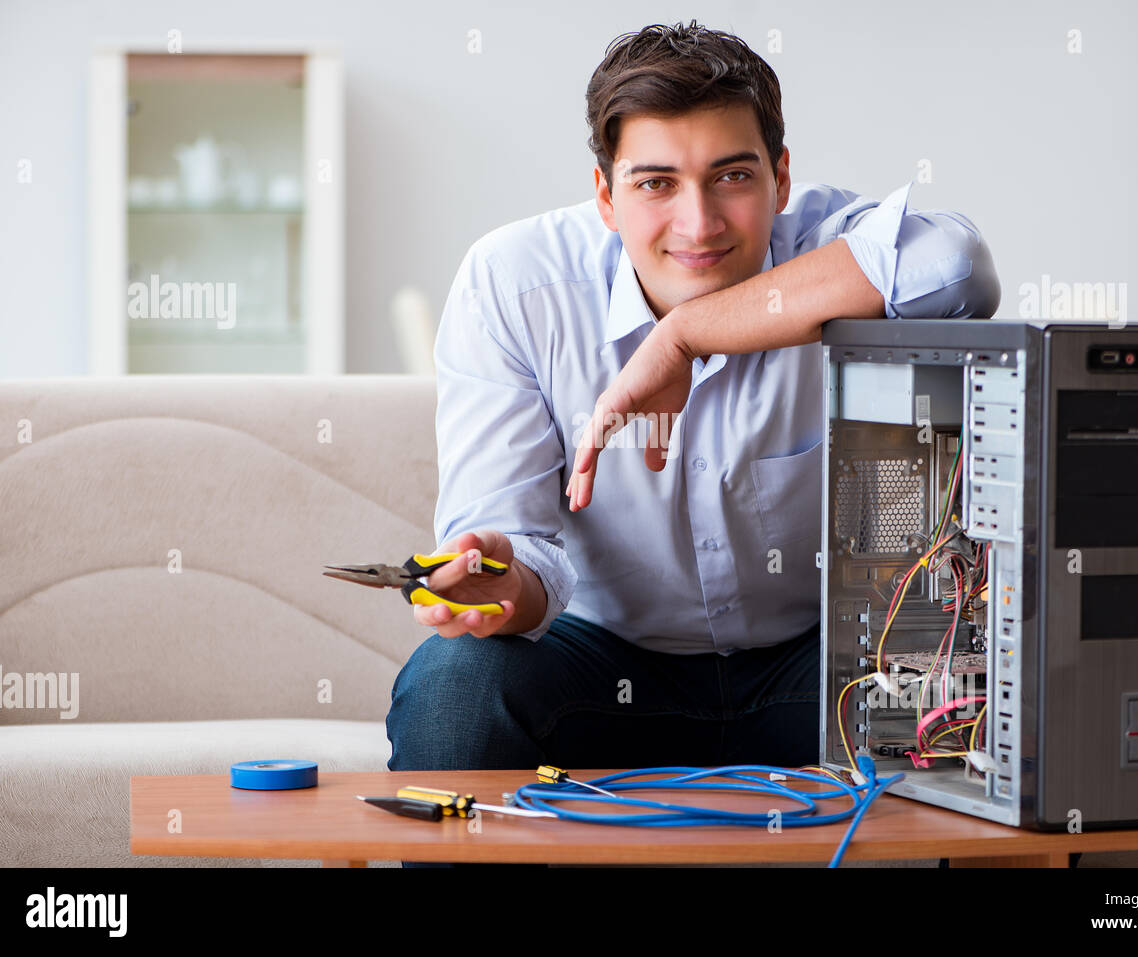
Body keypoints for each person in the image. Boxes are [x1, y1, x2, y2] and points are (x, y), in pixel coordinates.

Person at [386, 20, 1000, 782]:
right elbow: (520, 552)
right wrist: (501, 585)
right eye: (656, 184)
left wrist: (683, 334)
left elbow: (958, 267)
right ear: (607, 196)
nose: (699, 223)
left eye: (733, 176)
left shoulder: (830, 246)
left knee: (974, 677)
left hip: (818, 671)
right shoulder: (514, 287)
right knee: (452, 687)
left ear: (780, 176)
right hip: (605, 670)